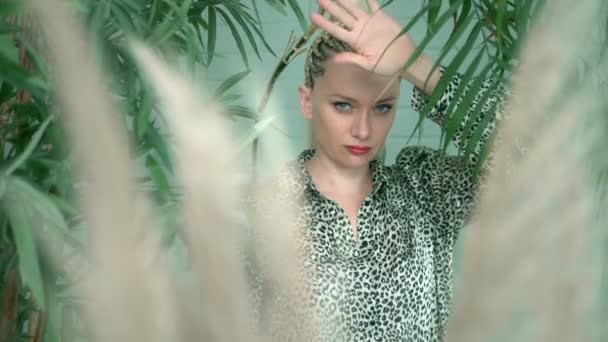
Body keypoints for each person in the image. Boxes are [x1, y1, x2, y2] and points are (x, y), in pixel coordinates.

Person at [247, 0, 506, 340]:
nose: (364, 129)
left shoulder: (425, 190)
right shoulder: (268, 209)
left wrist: (418, 66)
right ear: (307, 101)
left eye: (382, 107)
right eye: (343, 105)